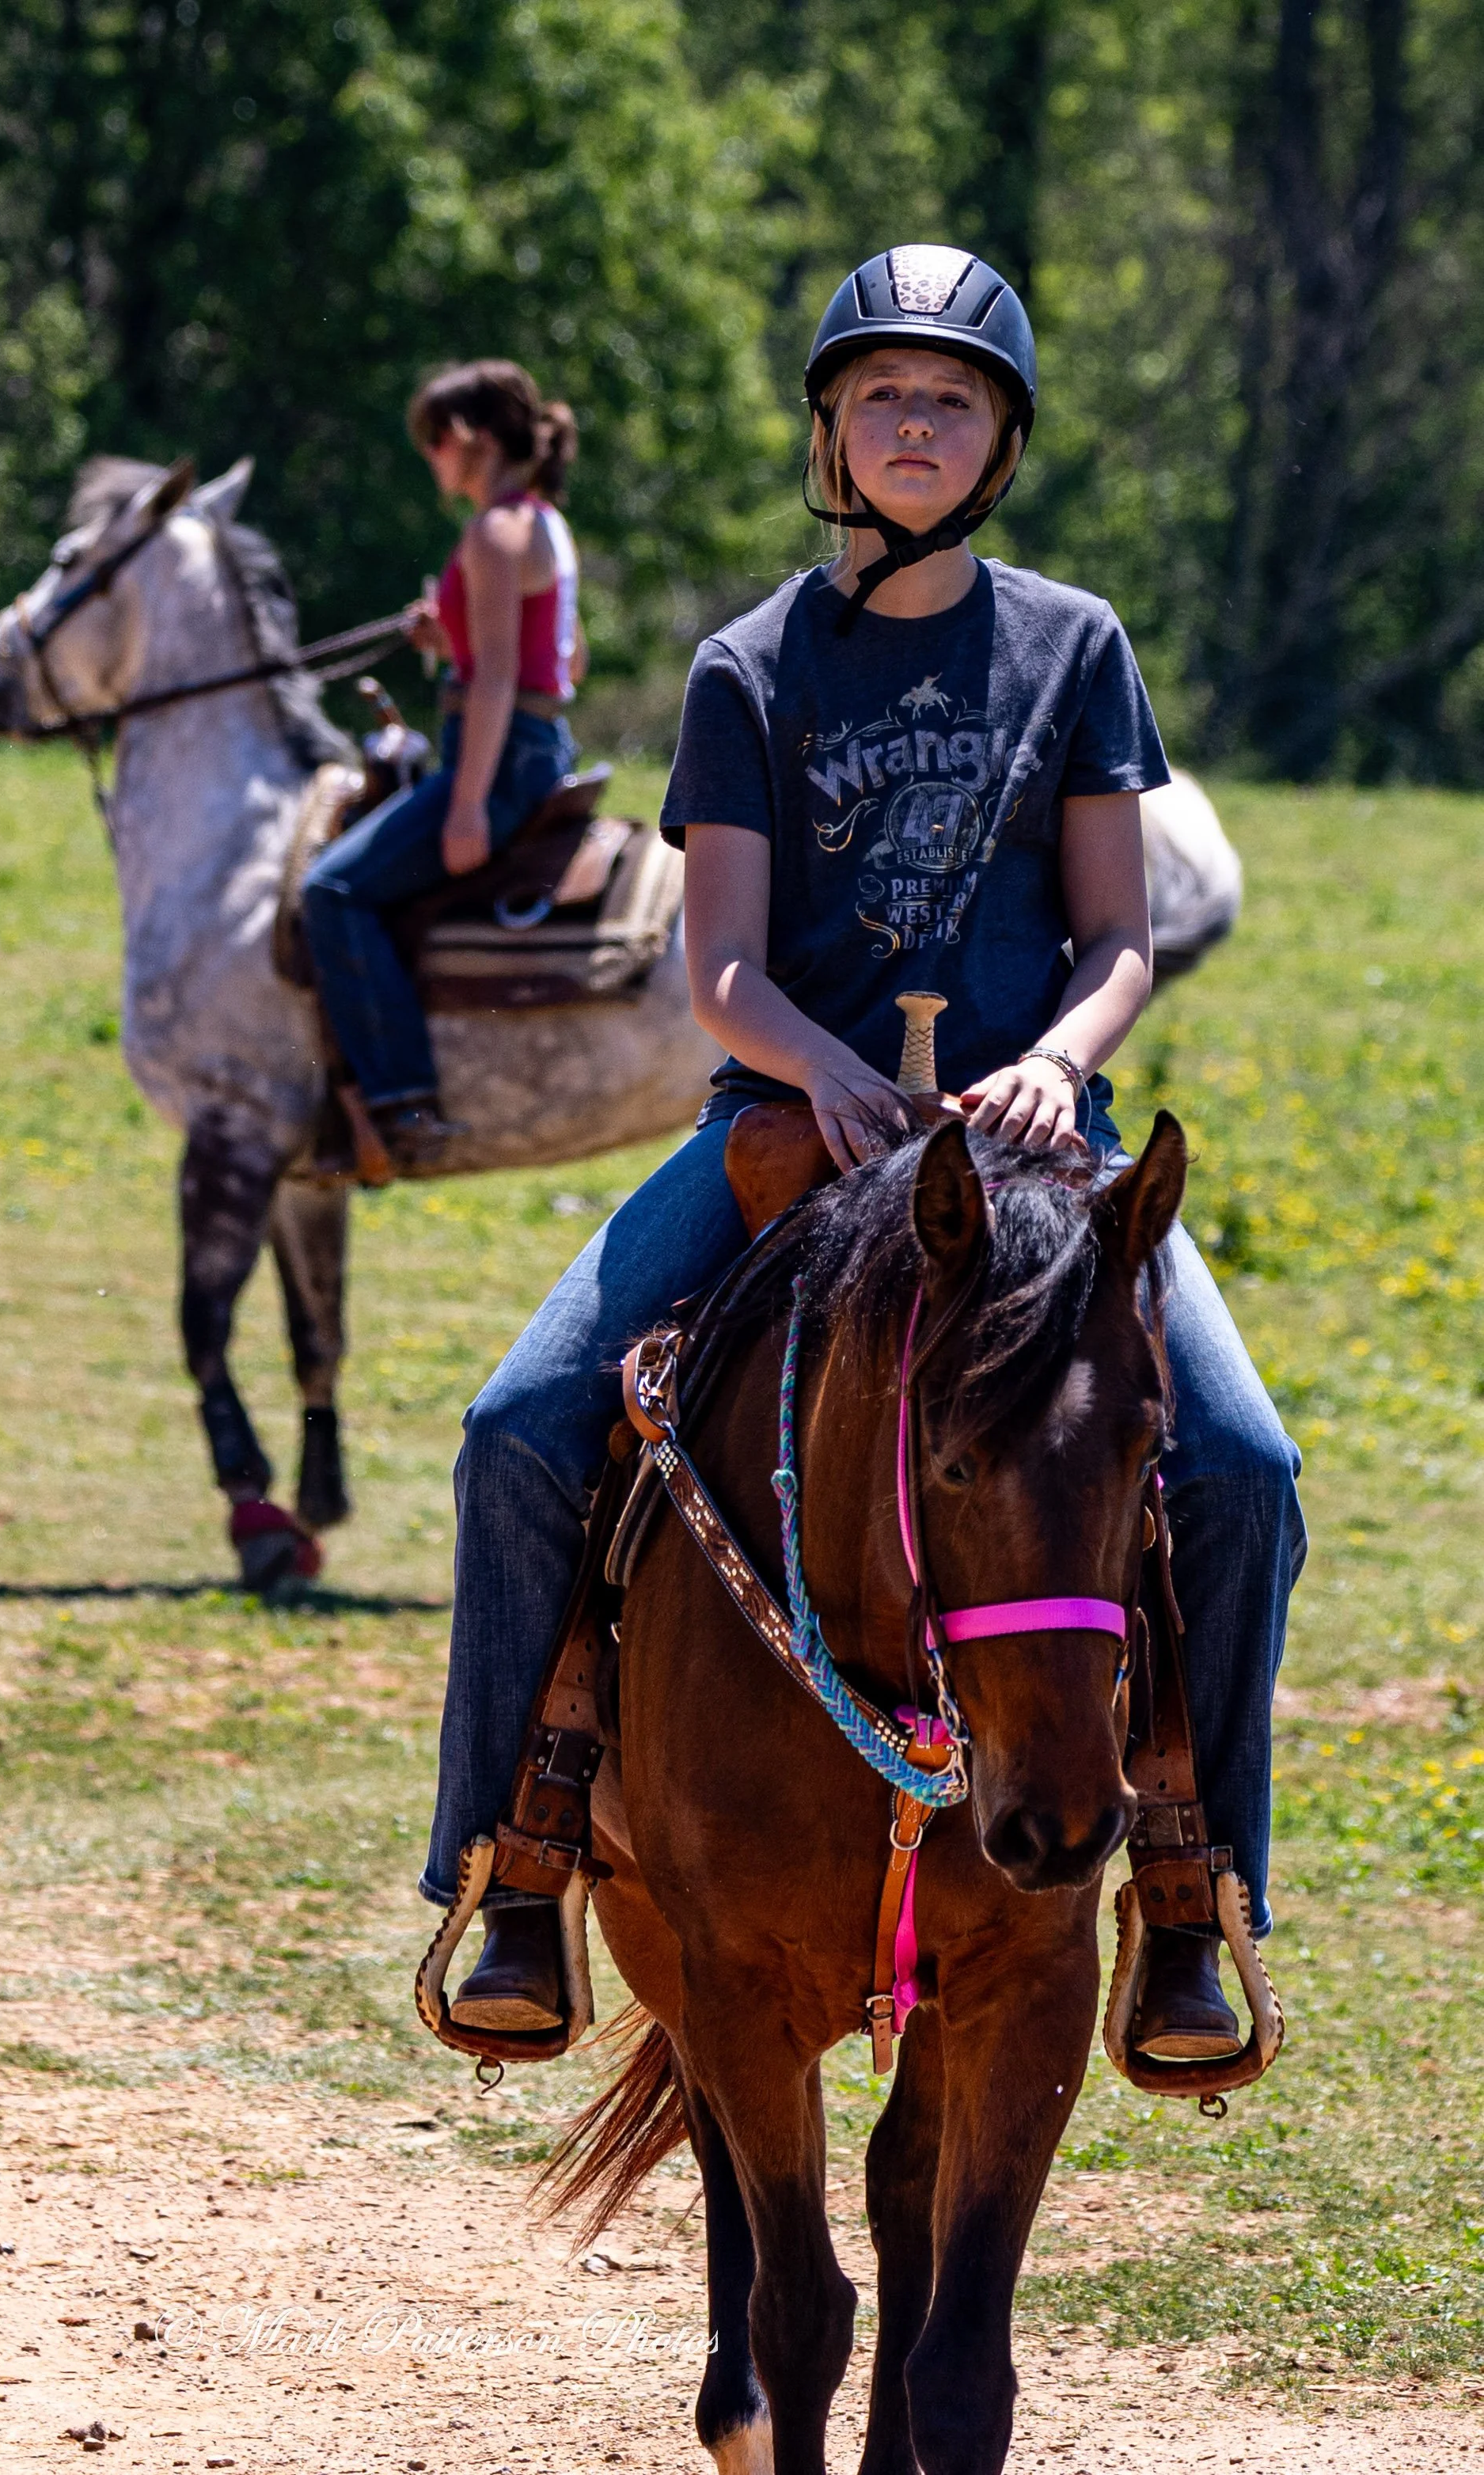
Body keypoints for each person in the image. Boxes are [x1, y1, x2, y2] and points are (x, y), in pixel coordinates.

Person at [420, 245, 1306, 2056]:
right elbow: (719, 962)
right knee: (521, 1425)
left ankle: (1184, 1889)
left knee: (1237, 1464)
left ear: (997, 441)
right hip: (787, 1137)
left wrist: (1056, 1066)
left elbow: (1115, 935)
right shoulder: (749, 663)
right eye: (884, 393)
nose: (916, 420)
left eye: (953, 397)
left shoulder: (1075, 646)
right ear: (830, 428)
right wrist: (818, 1068)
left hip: (1039, 1163)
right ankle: (514, 1862)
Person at [302, 359, 586, 1176]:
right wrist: (444, 638)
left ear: (466, 438)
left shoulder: (494, 531)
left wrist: (466, 806)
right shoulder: (543, 522)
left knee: (334, 890)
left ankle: (400, 1103)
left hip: (496, 762)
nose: (430, 459)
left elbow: (498, 676)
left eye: (432, 441)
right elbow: (563, 654)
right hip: (540, 747)